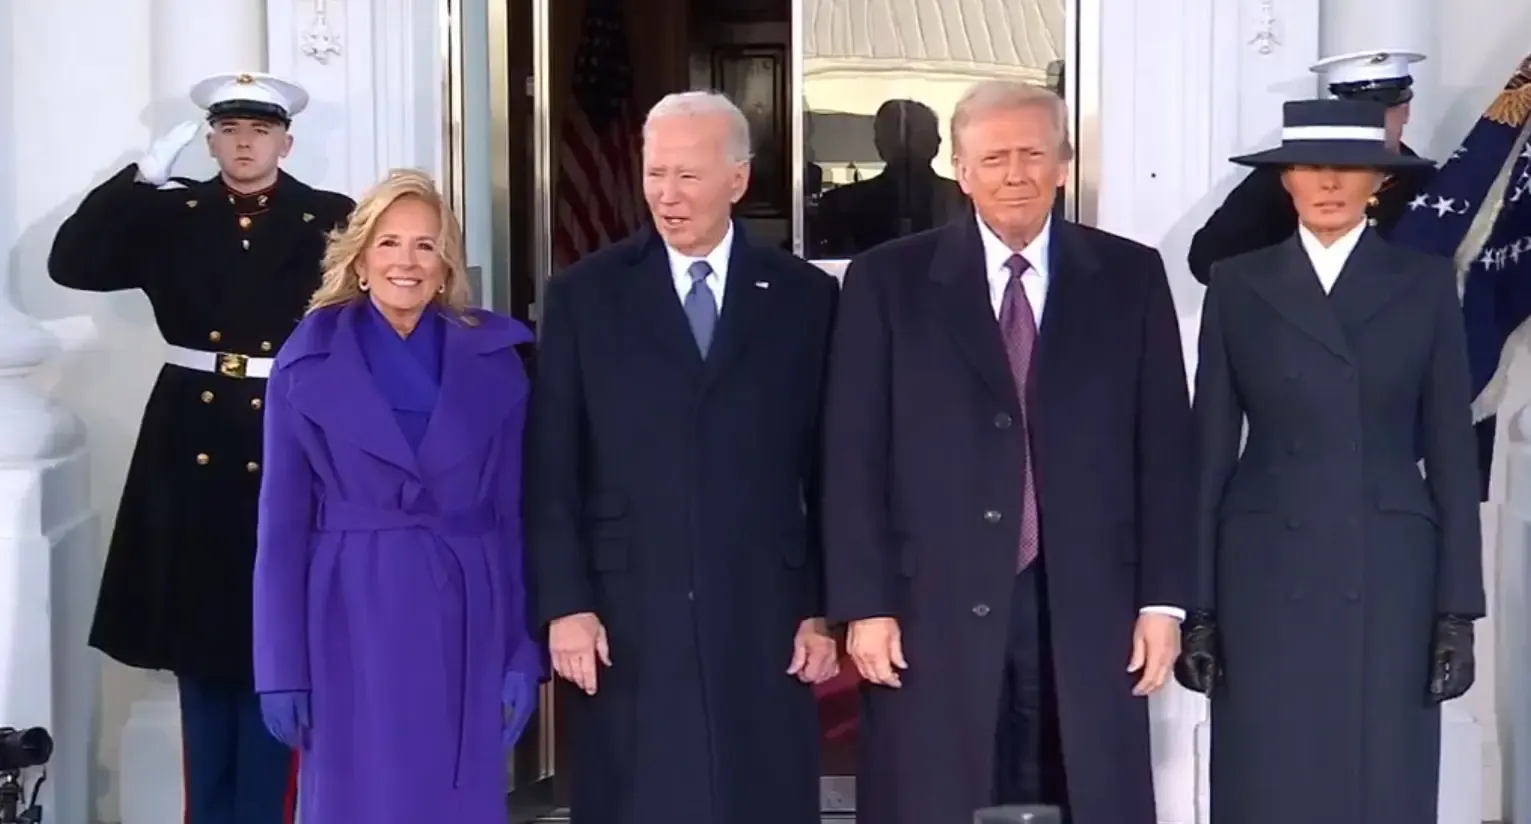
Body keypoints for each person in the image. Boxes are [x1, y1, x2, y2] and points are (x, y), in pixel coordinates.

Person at [821, 79, 1193, 824]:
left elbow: (1164, 448)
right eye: (993, 158)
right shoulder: (886, 281)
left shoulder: (1130, 276)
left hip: (1086, 596)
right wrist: (863, 604)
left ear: (1063, 162)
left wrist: (1162, 602)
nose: (1013, 174)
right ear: (959, 170)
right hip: (929, 600)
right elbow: (851, 452)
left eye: (1031, 154)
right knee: (939, 793)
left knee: (1080, 784)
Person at [523, 90, 840, 824]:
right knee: (640, 794)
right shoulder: (584, 295)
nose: (667, 196)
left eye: (688, 176)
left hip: (764, 603)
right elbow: (553, 465)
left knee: (755, 792)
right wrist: (566, 606)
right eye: (655, 173)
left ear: (737, 179)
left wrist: (824, 610)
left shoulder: (803, 296)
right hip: (625, 605)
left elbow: (830, 466)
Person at [47, 71, 354, 824]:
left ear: (286, 140)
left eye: (259, 131)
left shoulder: (332, 216)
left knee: (277, 639)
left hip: (289, 424)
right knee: (197, 641)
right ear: (210, 138)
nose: (242, 143)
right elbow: (72, 264)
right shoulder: (172, 213)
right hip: (189, 437)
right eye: (227, 130)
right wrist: (141, 176)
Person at [1175, 98, 1483, 824]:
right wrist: (1199, 610)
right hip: (1260, 568)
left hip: (1390, 570)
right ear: (1283, 179)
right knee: (1265, 777)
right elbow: (1209, 450)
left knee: (1383, 777)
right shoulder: (1237, 284)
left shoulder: (1424, 283)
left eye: (1348, 166)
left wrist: (1456, 612)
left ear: (1377, 177)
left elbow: (1448, 452)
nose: (1328, 182)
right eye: (1310, 166)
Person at [252, 169, 541, 824]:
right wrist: (279, 667)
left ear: (446, 264)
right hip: (348, 616)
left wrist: (522, 650)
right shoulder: (305, 361)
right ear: (359, 259)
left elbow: (512, 515)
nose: (405, 262)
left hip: (466, 613)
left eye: (424, 245)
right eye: (388, 243)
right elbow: (280, 529)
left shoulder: (496, 357)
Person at [1187, 50, 1436, 284]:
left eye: (1384, 109)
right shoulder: (1288, 175)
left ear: (1405, 111)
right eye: (1358, 110)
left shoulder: (1428, 185)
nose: (1372, 121)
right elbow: (1207, 259)